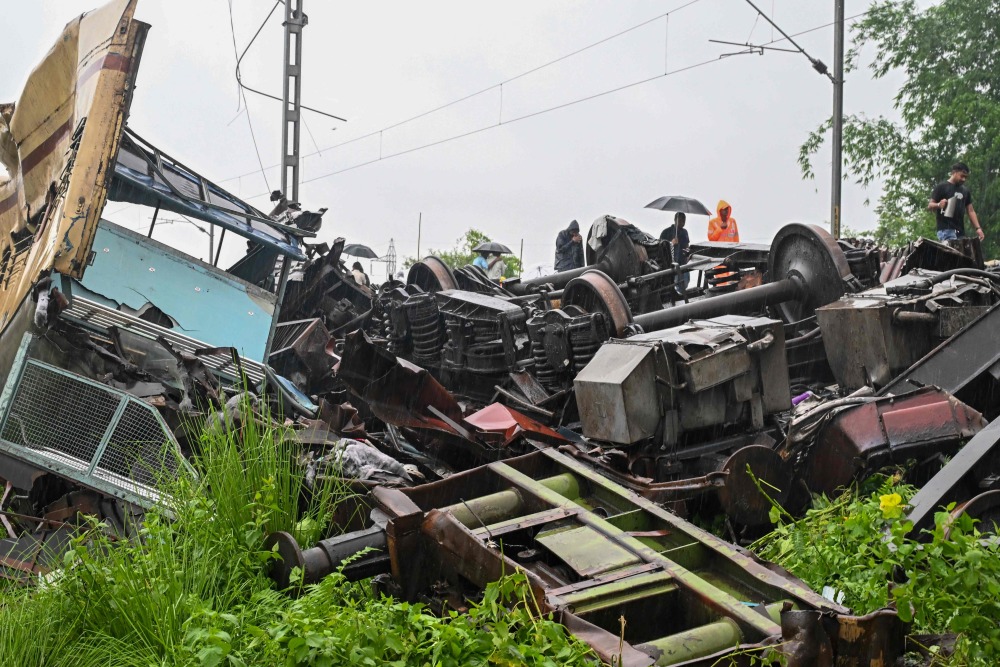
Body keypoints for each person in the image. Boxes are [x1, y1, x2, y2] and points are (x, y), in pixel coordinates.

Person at [929, 162, 983, 242]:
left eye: (965, 177)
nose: (963, 179)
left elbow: (970, 210)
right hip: (945, 229)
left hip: (960, 231)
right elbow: (930, 205)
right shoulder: (942, 187)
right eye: (962, 176)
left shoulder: (965, 191)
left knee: (962, 252)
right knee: (953, 252)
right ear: (954, 172)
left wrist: (978, 228)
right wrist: (938, 204)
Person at [659, 212, 690, 294]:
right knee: (674, 284)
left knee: (685, 283)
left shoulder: (685, 232)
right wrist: (671, 243)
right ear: (675, 220)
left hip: (683, 262)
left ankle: (682, 296)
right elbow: (660, 247)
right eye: (680, 220)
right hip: (672, 263)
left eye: (684, 220)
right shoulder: (666, 232)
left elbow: (687, 245)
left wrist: (688, 252)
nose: (682, 222)